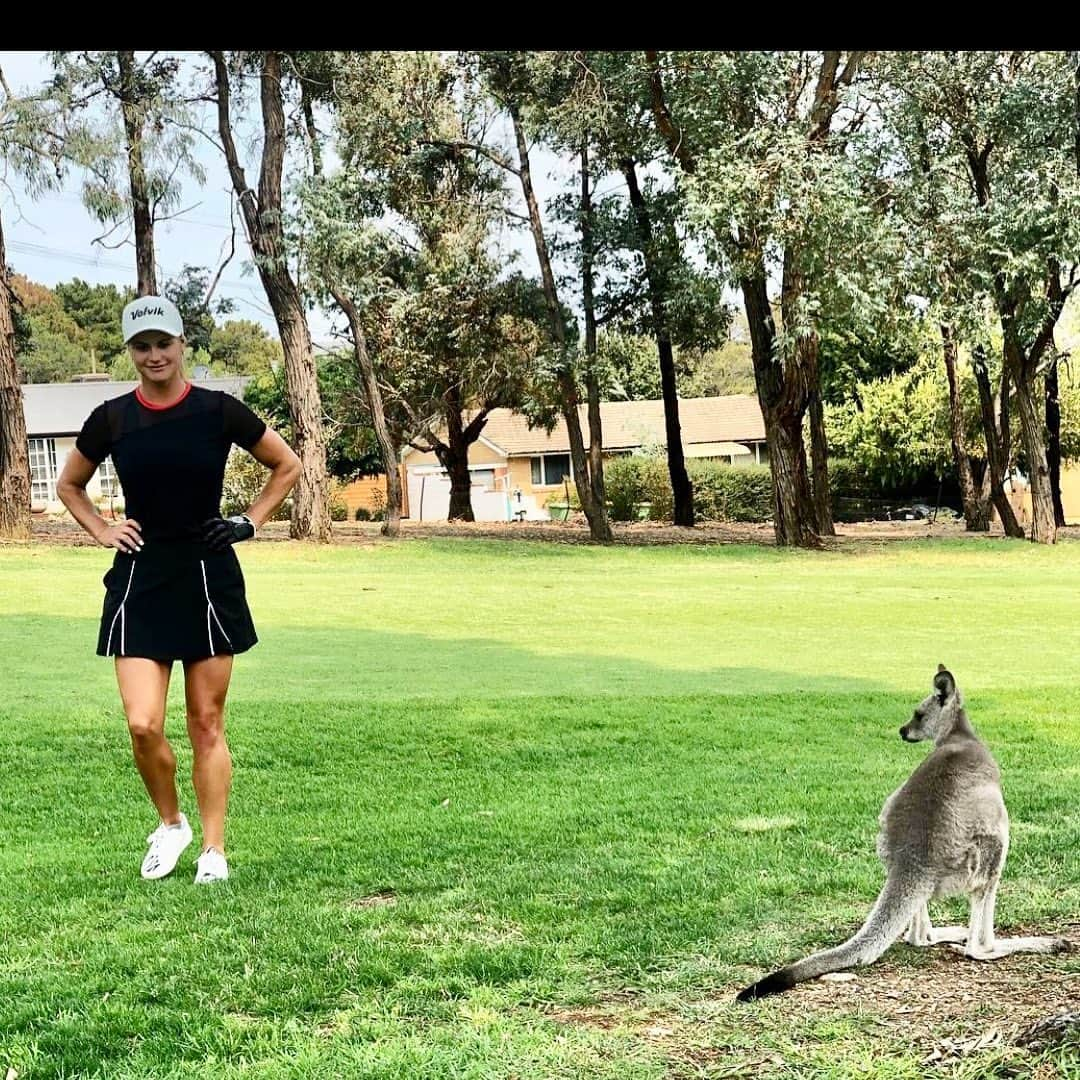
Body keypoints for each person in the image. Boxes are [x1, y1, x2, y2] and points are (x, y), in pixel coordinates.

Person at [56, 296, 300, 884]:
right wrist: (103, 528)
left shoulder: (218, 410)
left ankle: (213, 851)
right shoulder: (112, 418)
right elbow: (70, 486)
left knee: (205, 722)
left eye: (163, 343)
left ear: (181, 344)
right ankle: (171, 824)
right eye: (142, 346)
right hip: (140, 577)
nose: (154, 355)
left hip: (207, 574)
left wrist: (250, 521)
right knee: (143, 722)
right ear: (130, 352)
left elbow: (285, 465)